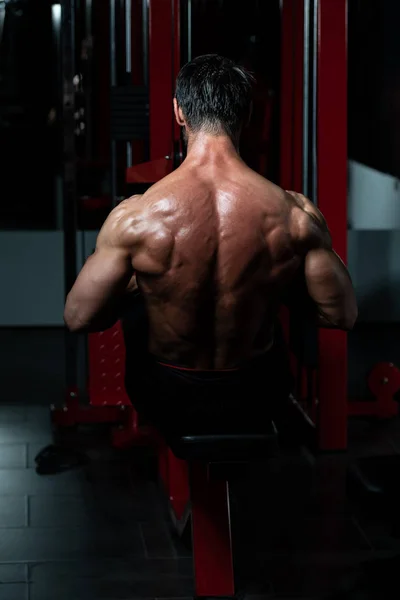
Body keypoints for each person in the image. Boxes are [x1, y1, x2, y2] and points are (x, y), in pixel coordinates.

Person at [64, 54, 357, 439]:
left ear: (179, 113)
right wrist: (270, 287)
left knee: (137, 295)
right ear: (246, 115)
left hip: (167, 395)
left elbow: (79, 318)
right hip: (257, 393)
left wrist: (148, 288)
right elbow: (342, 314)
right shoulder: (295, 215)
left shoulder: (136, 218)